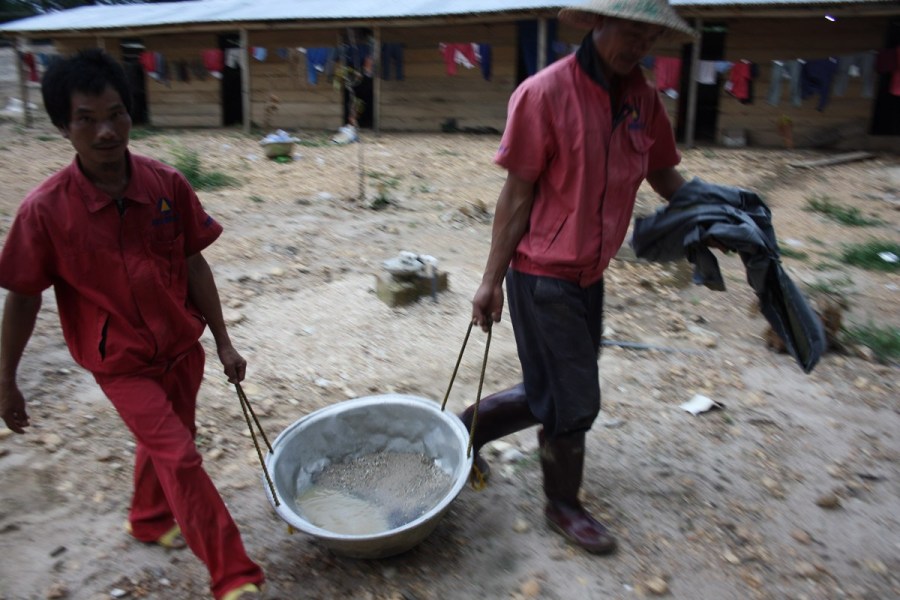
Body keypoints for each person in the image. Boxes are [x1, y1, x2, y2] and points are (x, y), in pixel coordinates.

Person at [0, 49, 264, 600]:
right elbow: (23, 297)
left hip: (180, 350)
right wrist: (6, 378)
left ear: (130, 113)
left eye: (115, 113)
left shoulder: (166, 185)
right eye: (85, 119)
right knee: (181, 457)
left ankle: (147, 518)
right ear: (61, 127)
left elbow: (194, 262)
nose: (105, 131)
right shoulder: (44, 211)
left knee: (170, 442)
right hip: (120, 364)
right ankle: (234, 575)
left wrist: (224, 342)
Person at [460, 0, 697, 555]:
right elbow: (516, 195)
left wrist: (713, 210)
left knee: (554, 388)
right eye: (630, 33)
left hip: (591, 273)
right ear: (597, 23)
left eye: (649, 38)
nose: (638, 47)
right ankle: (562, 504)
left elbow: (663, 172)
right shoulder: (544, 94)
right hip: (542, 273)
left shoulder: (644, 100)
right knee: (575, 399)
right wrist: (489, 280)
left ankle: (464, 430)